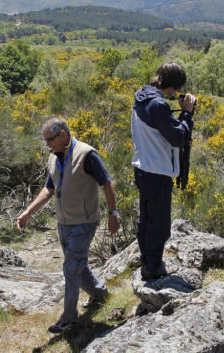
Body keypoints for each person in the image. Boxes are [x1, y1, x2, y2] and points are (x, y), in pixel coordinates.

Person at [16, 118, 120, 334]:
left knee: (71, 269)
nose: (47, 145)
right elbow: (49, 189)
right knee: (77, 265)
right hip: (64, 223)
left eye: (50, 140)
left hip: (84, 222)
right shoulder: (55, 157)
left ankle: (69, 318)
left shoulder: (86, 154)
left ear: (63, 134)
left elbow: (107, 183)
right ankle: (100, 294)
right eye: (45, 141)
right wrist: (29, 211)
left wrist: (113, 213)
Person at [131, 62, 196, 280]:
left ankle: (147, 259)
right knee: (159, 224)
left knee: (146, 219)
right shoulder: (158, 105)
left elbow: (162, 129)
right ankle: (153, 267)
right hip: (157, 172)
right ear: (173, 86)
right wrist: (186, 113)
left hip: (143, 168)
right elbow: (178, 137)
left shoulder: (141, 96)